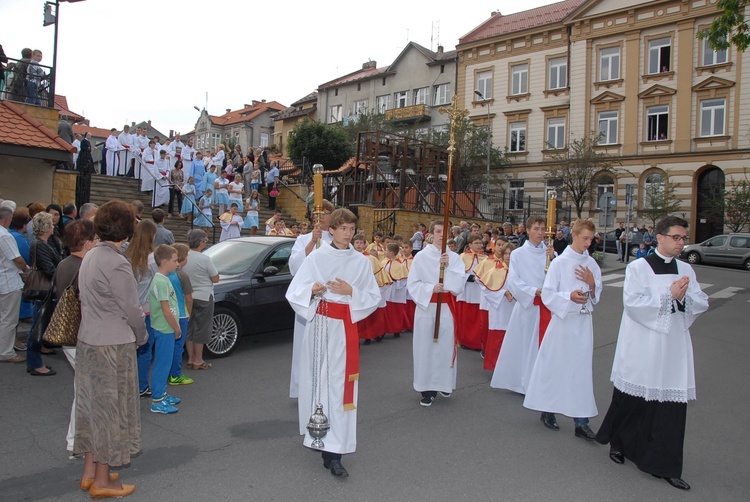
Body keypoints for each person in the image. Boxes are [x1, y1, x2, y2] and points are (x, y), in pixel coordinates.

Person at [596, 216, 709, 491]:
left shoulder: (685, 269)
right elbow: (633, 304)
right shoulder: (638, 268)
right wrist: (669, 295)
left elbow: (701, 300)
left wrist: (684, 299)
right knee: (634, 398)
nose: (681, 243)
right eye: (676, 237)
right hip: (642, 344)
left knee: (669, 407)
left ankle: (664, 464)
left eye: (684, 238)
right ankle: (620, 444)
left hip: (673, 346)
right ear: (660, 238)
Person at [286, 208, 380, 478]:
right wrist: (312, 290)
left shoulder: (361, 262)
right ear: (332, 230)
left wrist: (352, 292)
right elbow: (295, 290)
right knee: (318, 382)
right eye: (343, 229)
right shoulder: (317, 256)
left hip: (343, 330)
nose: (347, 234)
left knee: (339, 386)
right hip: (319, 325)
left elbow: (373, 297)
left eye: (352, 229)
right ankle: (318, 430)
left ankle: (335, 451)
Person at [74, 201, 146, 498]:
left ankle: (91, 472)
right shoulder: (116, 262)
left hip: (89, 339)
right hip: (112, 345)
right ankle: (103, 481)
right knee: (110, 412)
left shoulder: (91, 255)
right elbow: (131, 310)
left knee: (92, 408)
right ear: (127, 229)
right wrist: (141, 335)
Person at [523, 219, 603, 440]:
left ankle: (581, 421)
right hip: (562, 322)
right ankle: (547, 410)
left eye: (591, 239)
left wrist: (592, 283)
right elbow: (548, 294)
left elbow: (596, 295)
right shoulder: (559, 263)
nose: (588, 243)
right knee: (556, 365)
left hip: (583, 323)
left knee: (580, 370)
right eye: (584, 238)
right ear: (574, 235)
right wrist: (569, 296)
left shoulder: (592, 265)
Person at [490, 216, 554, 395]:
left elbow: (557, 276)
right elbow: (513, 280)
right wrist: (534, 291)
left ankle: (540, 380)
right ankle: (521, 381)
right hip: (528, 306)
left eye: (543, 229)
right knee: (526, 344)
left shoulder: (550, 253)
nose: (540, 233)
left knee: (543, 346)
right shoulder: (518, 254)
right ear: (527, 230)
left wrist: (553, 259)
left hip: (547, 306)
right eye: (536, 228)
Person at [408, 220, 468, 407]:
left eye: (445, 232)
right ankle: (427, 388)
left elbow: (459, 286)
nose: (442, 235)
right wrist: (430, 288)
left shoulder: (455, 258)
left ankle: (443, 382)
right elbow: (413, 284)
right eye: (438, 231)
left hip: (446, 309)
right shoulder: (421, 257)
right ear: (431, 234)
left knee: (444, 347)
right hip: (427, 308)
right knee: (426, 347)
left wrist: (448, 267)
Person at [54, 220, 97, 458]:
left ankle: (76, 440)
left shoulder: (64, 263)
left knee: (82, 388)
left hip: (70, 334)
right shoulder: (84, 267)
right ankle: (78, 441)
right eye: (95, 239)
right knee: (86, 390)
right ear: (87, 242)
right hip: (80, 334)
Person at [287, 201, 334, 399]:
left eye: (326, 213)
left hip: (332, 299)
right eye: (318, 213)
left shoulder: (338, 239)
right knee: (304, 348)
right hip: (309, 300)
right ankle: (303, 389)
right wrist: (312, 243)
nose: (321, 217)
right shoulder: (303, 239)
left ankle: (327, 387)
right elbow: (294, 267)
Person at [148, 244, 183, 414]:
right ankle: (157, 400)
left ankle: (162, 393)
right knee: (162, 363)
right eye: (175, 261)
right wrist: (176, 328)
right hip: (165, 328)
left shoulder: (164, 278)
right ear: (164, 262)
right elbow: (166, 310)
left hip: (166, 328)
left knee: (166, 363)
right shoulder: (161, 281)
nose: (177, 264)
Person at [125, 220, 157, 398]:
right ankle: (141, 385)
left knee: (129, 349)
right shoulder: (152, 260)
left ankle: (128, 383)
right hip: (146, 309)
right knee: (145, 349)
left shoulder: (126, 255)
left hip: (127, 308)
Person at [27, 212, 62, 376]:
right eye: (51, 224)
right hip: (44, 290)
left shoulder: (42, 243)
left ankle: (35, 361)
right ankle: (34, 363)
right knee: (38, 326)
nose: (54, 226)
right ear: (46, 227)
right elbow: (49, 269)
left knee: (38, 325)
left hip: (44, 290)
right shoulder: (40, 244)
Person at [182, 229, 219, 370]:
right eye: (205, 240)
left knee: (189, 327)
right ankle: (199, 359)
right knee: (202, 328)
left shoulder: (184, 256)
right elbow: (215, 278)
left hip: (188, 295)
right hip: (204, 296)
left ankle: (190, 358)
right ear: (201, 242)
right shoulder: (205, 259)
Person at [475, 242, 514, 371]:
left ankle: (509, 366)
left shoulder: (519, 272)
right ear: (502, 255)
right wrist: (503, 293)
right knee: (497, 337)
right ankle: (495, 365)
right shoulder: (494, 271)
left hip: (514, 309)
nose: (508, 256)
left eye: (511, 253)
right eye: (506, 253)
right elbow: (485, 289)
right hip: (499, 309)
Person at [0, 206, 28, 363]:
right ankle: (5, 352)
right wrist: (25, 268)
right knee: (9, 319)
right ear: (7, 219)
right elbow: (16, 258)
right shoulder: (5, 235)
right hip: (8, 280)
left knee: (2, 318)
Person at [167, 244, 194, 387]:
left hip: (167, 313)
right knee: (178, 346)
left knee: (167, 345)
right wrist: (189, 312)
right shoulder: (182, 275)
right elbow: (189, 298)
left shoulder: (165, 274)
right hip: (181, 313)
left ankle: (167, 372)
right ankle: (175, 374)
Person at [456, 233, 487, 350]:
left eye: (481, 243)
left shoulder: (486, 259)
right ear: (470, 245)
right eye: (476, 243)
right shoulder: (462, 256)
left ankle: (478, 342)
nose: (479, 245)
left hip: (479, 291)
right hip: (467, 290)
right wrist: (470, 278)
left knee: (478, 319)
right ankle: (465, 340)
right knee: (467, 317)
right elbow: (458, 273)